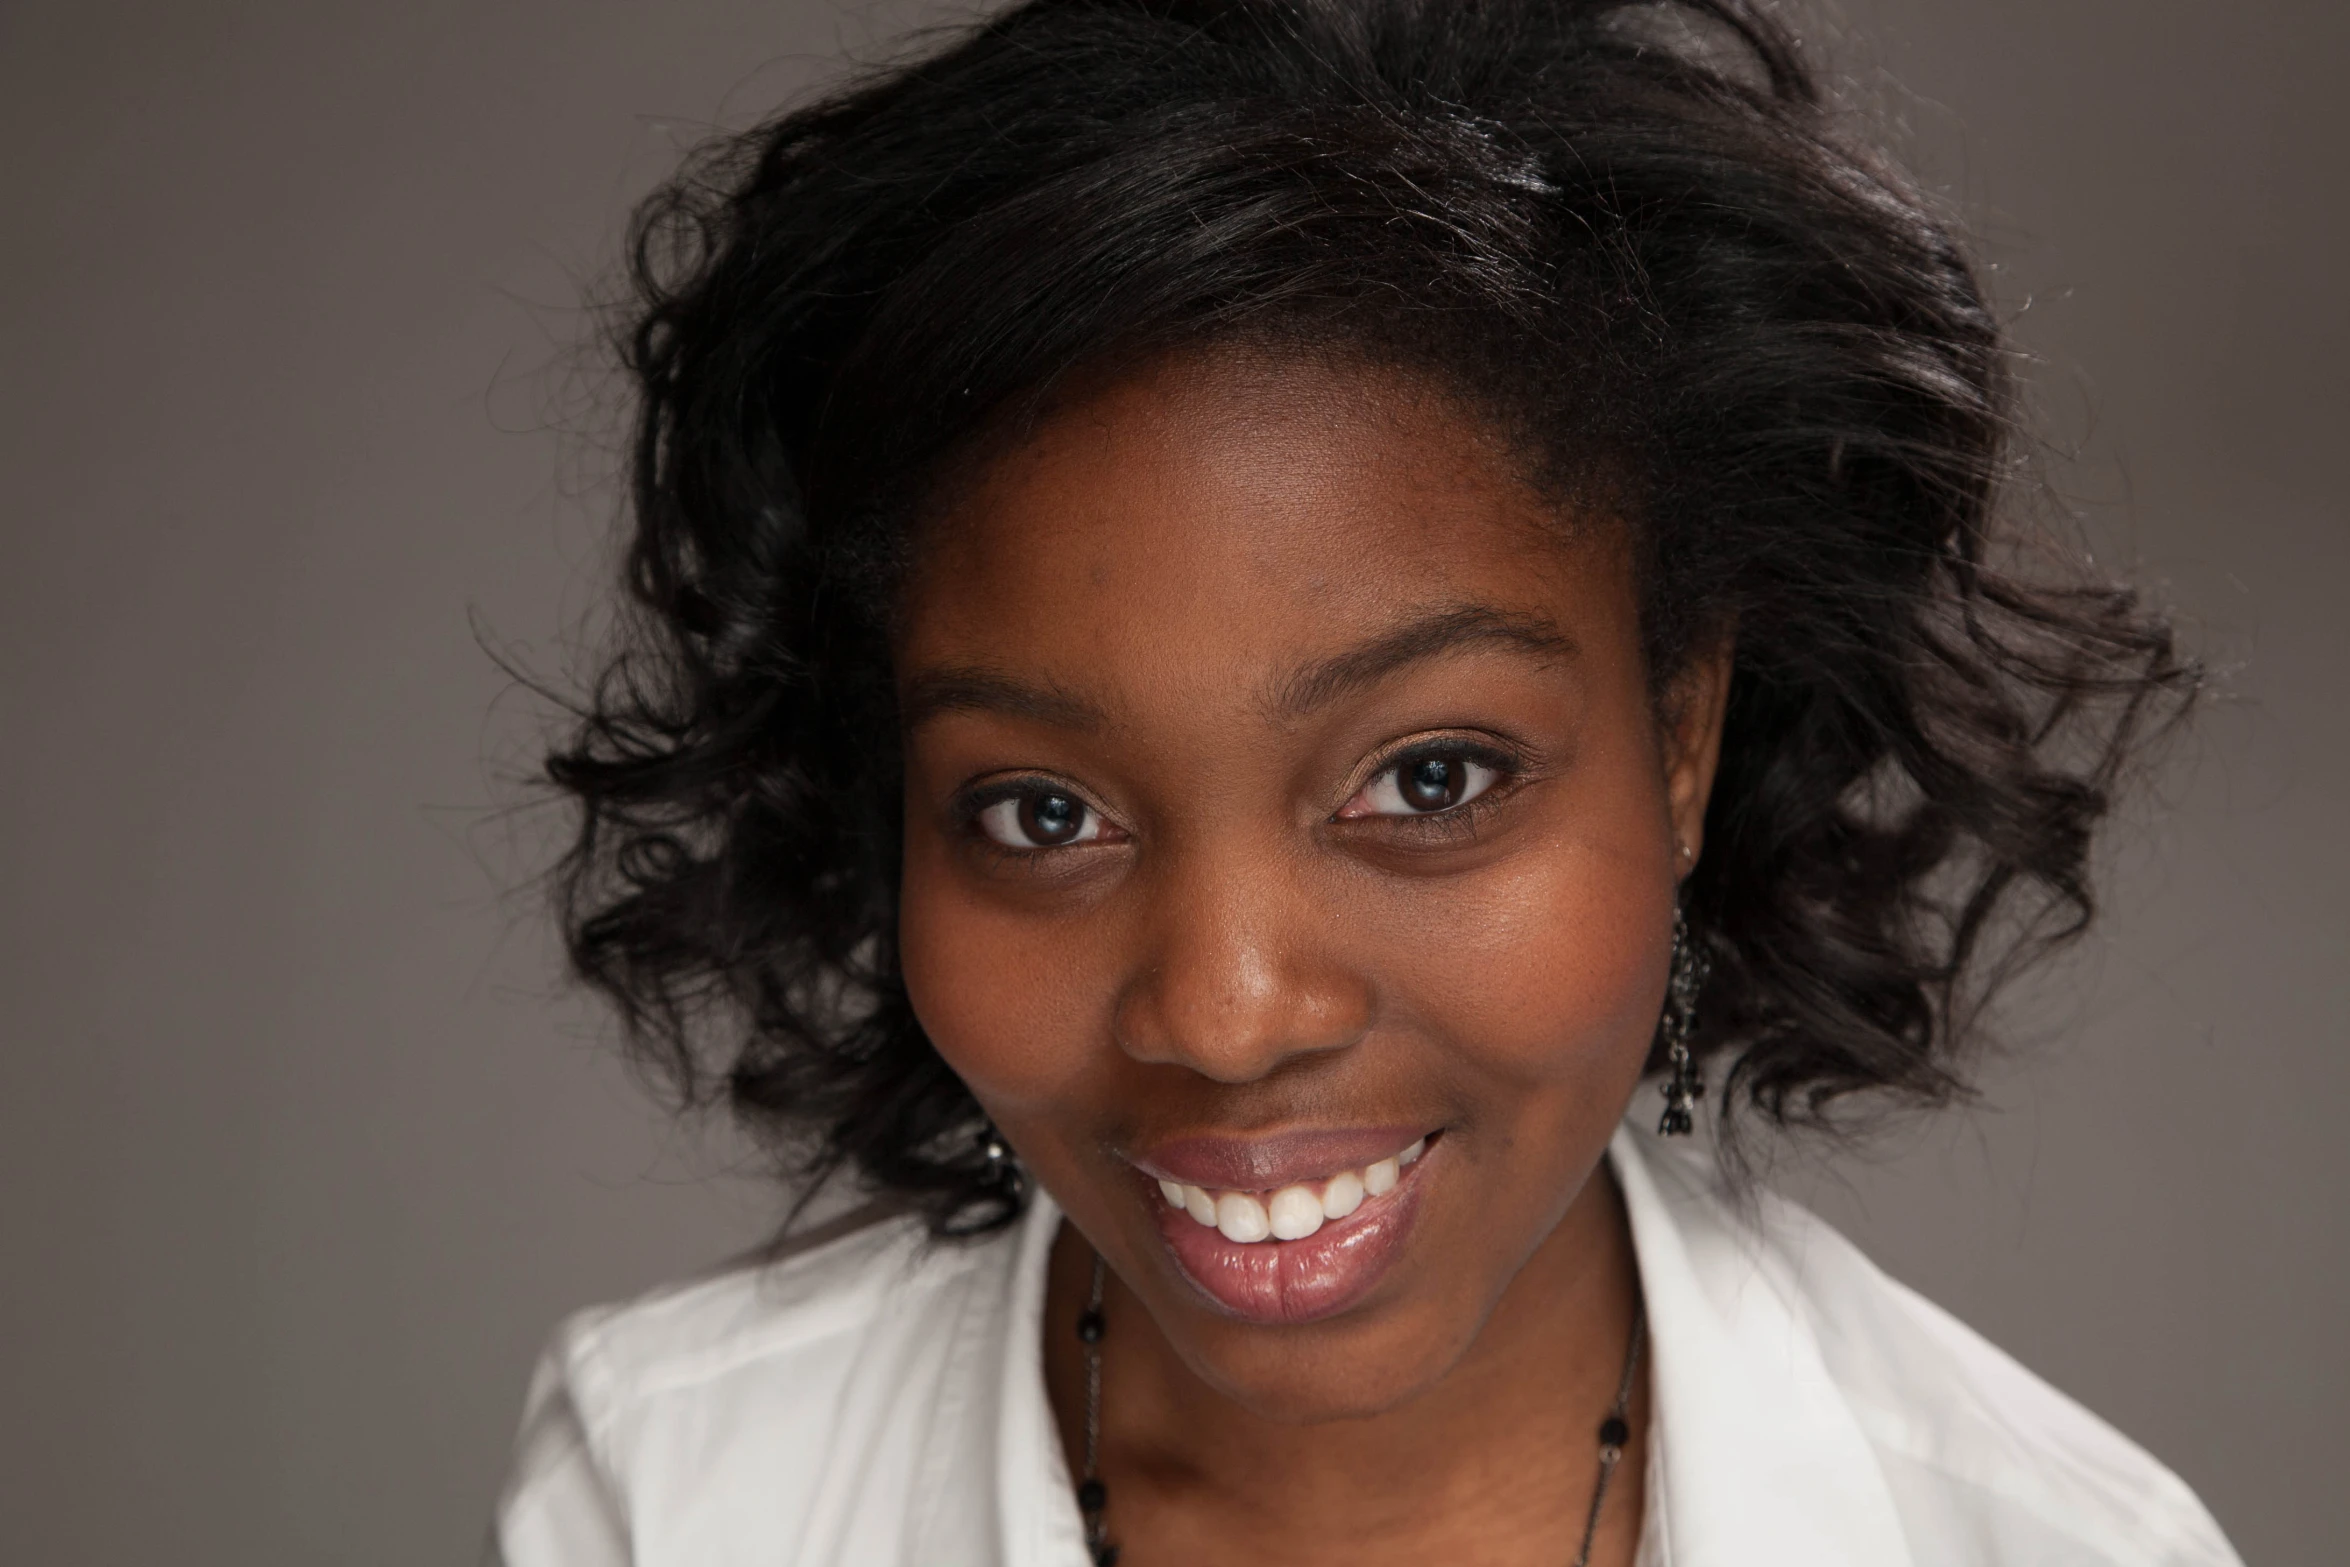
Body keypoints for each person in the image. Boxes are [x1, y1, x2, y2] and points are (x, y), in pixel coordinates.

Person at [491, 2, 2241, 1562]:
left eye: (1426, 775)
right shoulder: (676, 1490)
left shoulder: (2048, 1543)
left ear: (1682, 730)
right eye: (1042, 810)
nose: (1229, 1013)